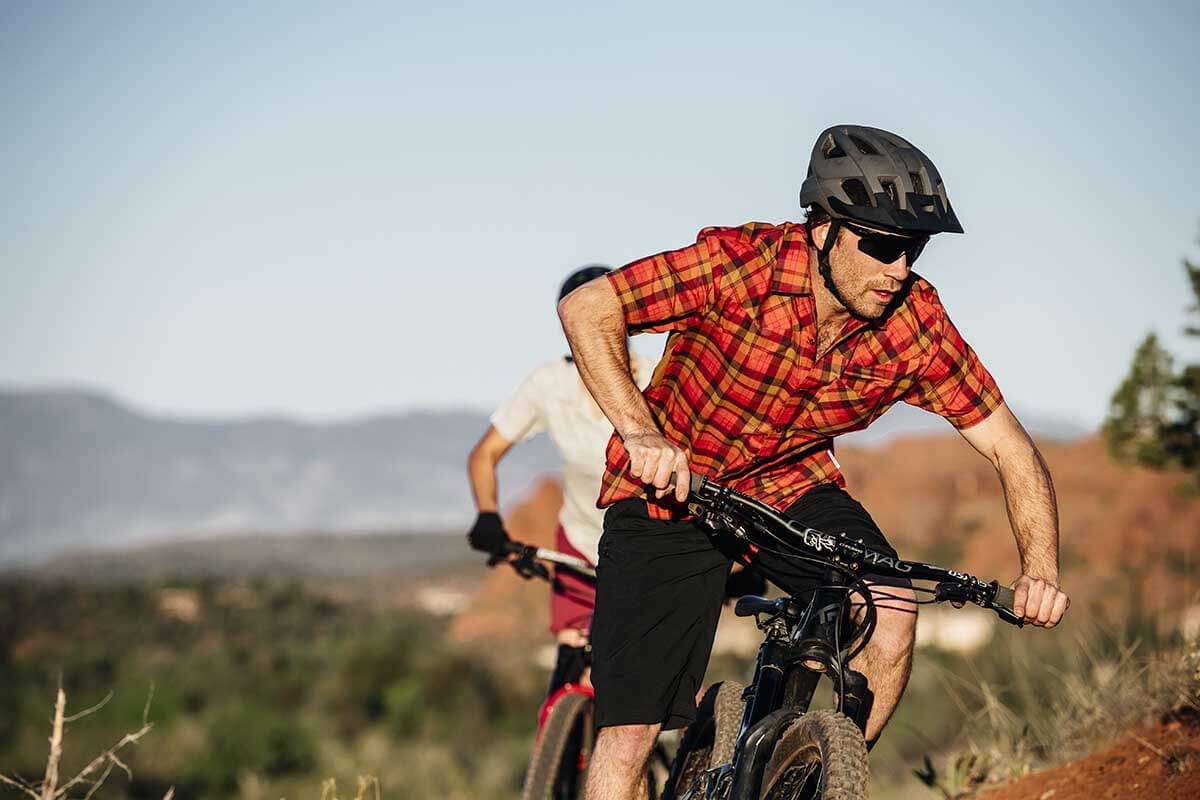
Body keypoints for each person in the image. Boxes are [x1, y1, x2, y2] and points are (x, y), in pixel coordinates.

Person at [557, 124, 1071, 800]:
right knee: (629, 734)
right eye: (882, 246)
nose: (901, 269)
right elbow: (589, 308)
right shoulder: (741, 266)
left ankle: (820, 777)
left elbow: (1011, 447)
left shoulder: (913, 323)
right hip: (672, 488)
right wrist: (642, 434)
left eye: (912, 250)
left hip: (788, 485)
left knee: (891, 608)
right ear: (824, 229)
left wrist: (1040, 568)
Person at [466, 265, 647, 677]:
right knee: (570, 667)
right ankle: (562, 738)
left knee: (648, 677)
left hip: (645, 547)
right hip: (580, 543)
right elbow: (485, 454)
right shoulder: (551, 384)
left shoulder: (657, 378)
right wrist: (488, 515)